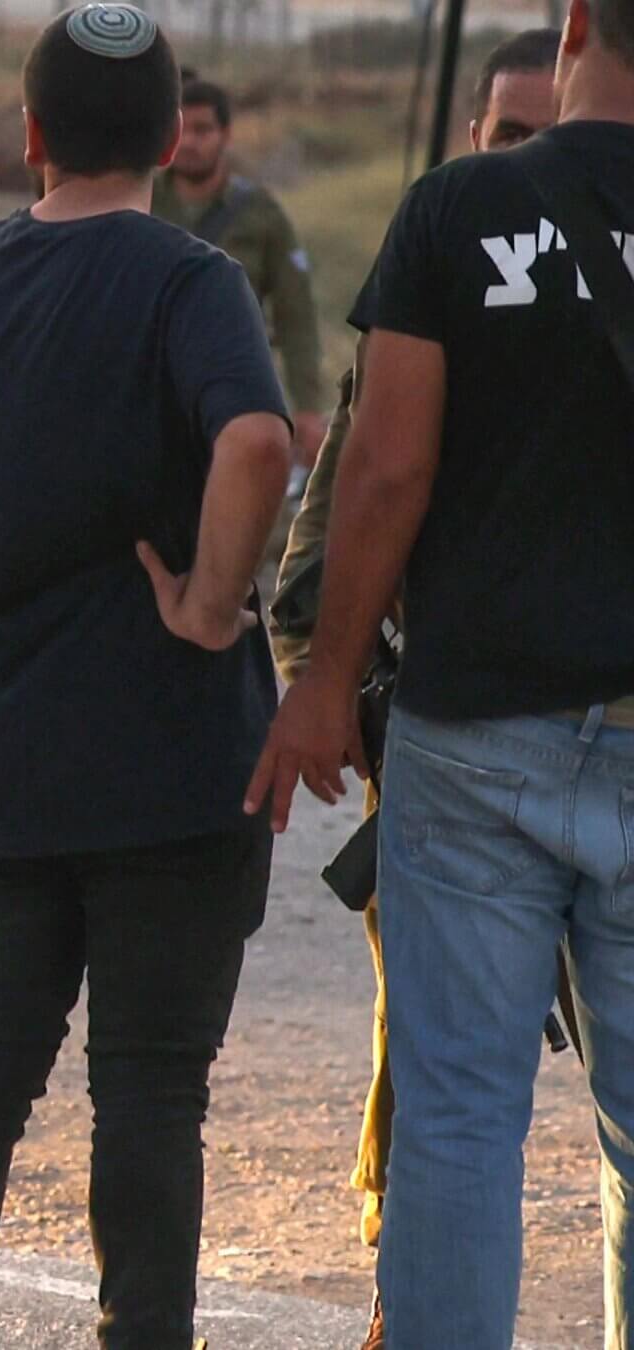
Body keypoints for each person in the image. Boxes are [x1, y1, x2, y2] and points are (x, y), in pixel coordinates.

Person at [0, 9, 292, 1347]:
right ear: (177, 138)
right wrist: (209, 605)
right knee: (148, 1093)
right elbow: (257, 444)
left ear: (31, 134)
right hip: (167, 762)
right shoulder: (192, 282)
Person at [249, 0, 634, 1340]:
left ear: (579, 22)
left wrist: (321, 677)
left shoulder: (456, 210)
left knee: (461, 1125)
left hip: (477, 738)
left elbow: (386, 467)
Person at [155, 74, 331, 469]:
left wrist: (307, 409)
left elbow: (296, 315)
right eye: (181, 129)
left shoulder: (260, 215)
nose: (190, 142)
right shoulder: (142, 202)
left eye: (203, 130)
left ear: (226, 135)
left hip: (230, 387)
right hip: (152, 386)